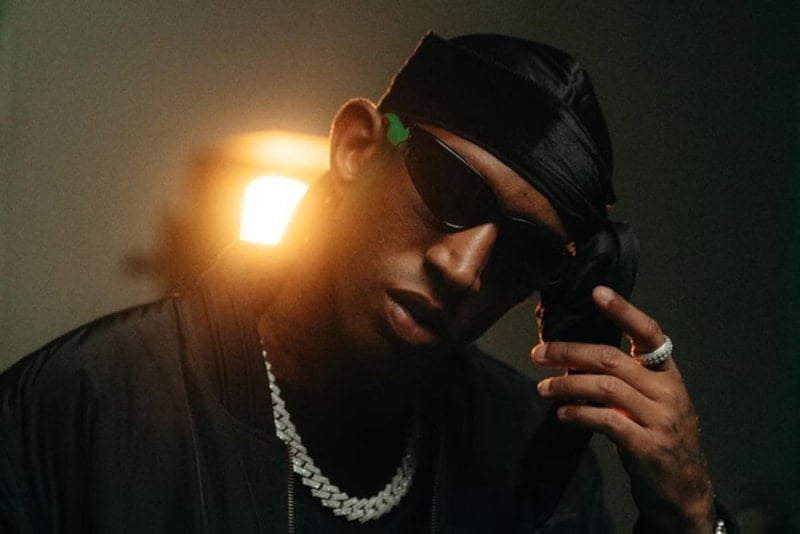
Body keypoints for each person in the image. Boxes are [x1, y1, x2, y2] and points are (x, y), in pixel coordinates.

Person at [0, 33, 735, 533]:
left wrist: (692, 519)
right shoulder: (79, 406)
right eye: (450, 190)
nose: (462, 268)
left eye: (522, 252)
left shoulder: (530, 455)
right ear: (356, 148)